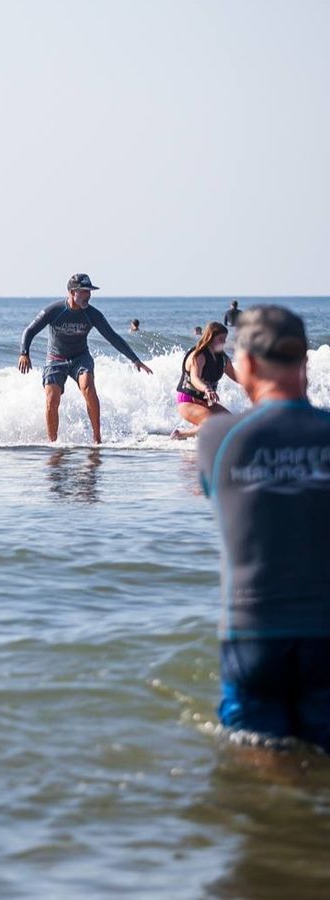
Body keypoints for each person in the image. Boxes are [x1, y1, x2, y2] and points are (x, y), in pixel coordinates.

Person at [198, 305, 330, 752]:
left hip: (253, 634)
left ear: (248, 363)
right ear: (304, 363)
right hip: (325, 633)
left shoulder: (217, 439)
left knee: (261, 758)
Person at [18, 273, 153, 444]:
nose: (88, 295)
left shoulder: (92, 314)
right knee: (52, 399)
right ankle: (53, 443)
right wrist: (24, 353)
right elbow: (29, 331)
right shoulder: (55, 310)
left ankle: (97, 439)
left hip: (80, 357)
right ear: (72, 292)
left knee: (88, 386)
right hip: (55, 358)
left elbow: (112, 337)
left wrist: (135, 360)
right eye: (84, 291)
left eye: (89, 292)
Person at [170, 321, 239, 440]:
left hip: (204, 401)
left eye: (225, 338)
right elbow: (195, 378)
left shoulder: (222, 358)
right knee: (211, 423)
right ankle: (180, 435)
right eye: (221, 338)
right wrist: (206, 389)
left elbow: (236, 375)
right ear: (211, 337)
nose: (224, 342)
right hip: (187, 401)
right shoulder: (199, 355)